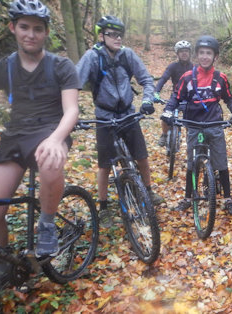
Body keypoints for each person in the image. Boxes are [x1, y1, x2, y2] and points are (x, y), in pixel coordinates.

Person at [0, 0, 80, 286]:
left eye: (37, 29)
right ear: (13, 28)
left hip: (50, 130)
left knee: (49, 159)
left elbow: (72, 109)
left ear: (46, 32)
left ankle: (47, 224)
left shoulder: (61, 66)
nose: (30, 34)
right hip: (14, 137)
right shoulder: (2, 68)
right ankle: (2, 267)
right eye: (24, 27)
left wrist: (57, 138)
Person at [76, 15, 163, 228]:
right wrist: (71, 111)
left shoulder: (127, 55)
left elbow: (146, 80)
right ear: (101, 35)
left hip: (128, 114)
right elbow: (74, 83)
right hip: (105, 117)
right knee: (105, 165)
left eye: (119, 35)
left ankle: (148, 192)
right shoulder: (91, 57)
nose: (117, 38)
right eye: (111, 34)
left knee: (141, 157)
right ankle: (103, 207)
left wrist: (147, 100)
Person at [161, 35, 232, 215]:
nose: (205, 56)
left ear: (215, 57)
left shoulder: (220, 77)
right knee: (192, 162)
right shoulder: (187, 77)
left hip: (214, 124)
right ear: (197, 55)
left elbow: (229, 98)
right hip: (193, 124)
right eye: (202, 53)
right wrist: (168, 111)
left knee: (221, 161)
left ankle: (228, 198)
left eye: (209, 53)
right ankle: (188, 198)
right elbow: (176, 96)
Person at [154, 40, 193, 147]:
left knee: (192, 120)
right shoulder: (173, 66)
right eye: (181, 51)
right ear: (177, 53)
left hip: (191, 98)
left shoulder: (195, 67)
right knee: (166, 114)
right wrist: (156, 92)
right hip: (176, 97)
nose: (184, 53)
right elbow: (163, 79)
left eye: (186, 51)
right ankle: (165, 134)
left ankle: (192, 139)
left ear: (190, 53)